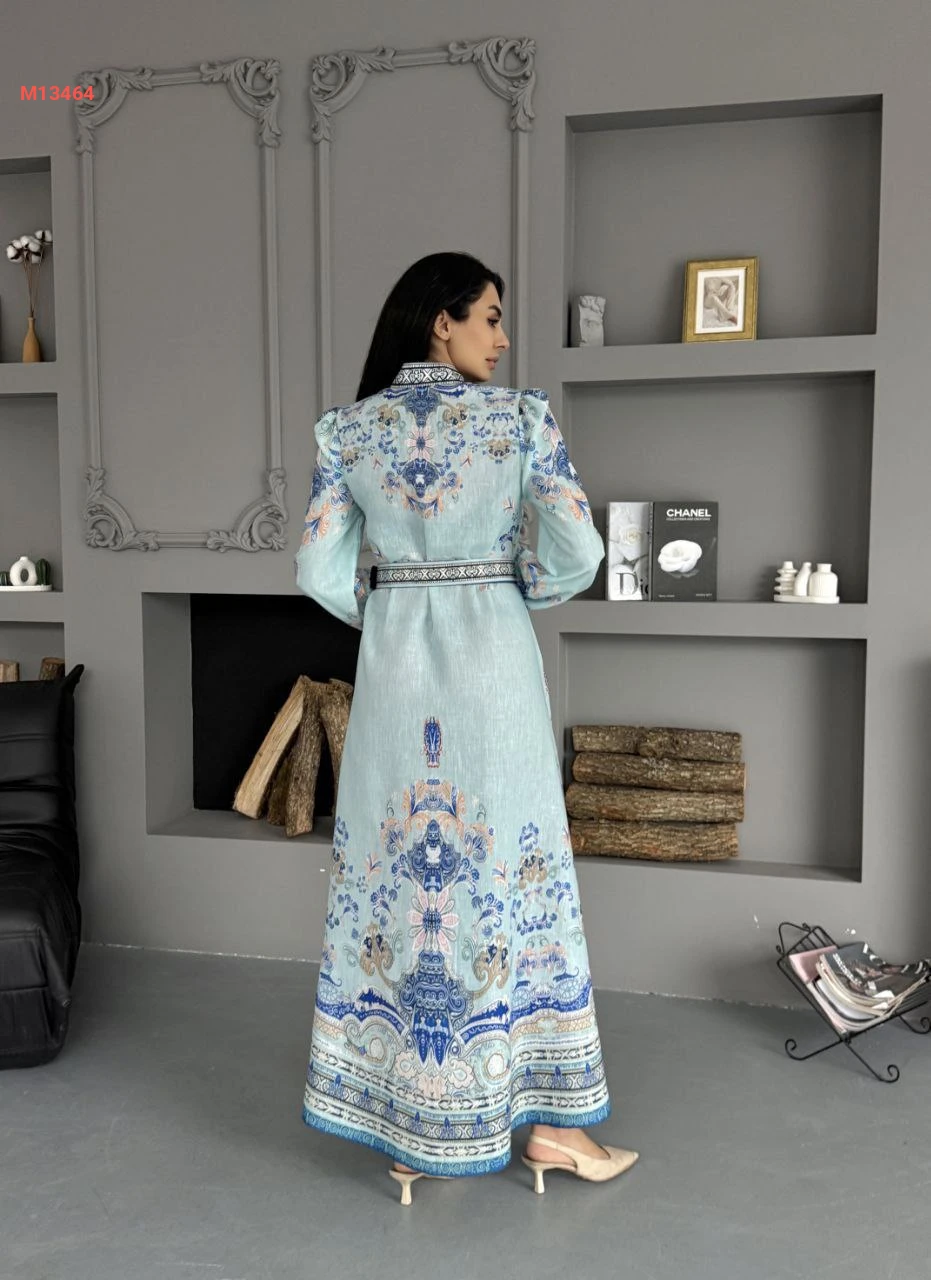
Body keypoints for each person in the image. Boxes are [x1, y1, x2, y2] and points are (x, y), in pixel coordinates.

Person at [295, 251, 639, 1205]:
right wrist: (510, 587)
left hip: (394, 677)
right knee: (511, 875)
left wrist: (393, 608)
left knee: (404, 879)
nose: (502, 336)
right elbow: (578, 550)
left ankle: (410, 1134)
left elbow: (318, 573)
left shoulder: (345, 431)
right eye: (489, 316)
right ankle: (553, 1128)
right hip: (494, 671)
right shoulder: (519, 419)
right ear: (439, 321)